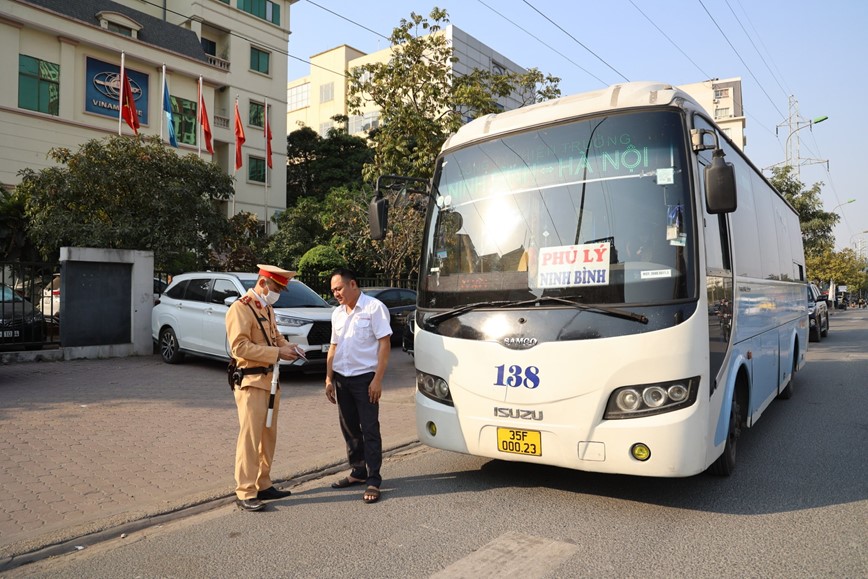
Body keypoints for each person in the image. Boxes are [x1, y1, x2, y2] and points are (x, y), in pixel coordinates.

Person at [225, 264, 303, 512]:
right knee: (250, 438)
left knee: (268, 437)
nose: (278, 292)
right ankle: (245, 490)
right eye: (277, 287)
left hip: (271, 381)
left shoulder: (266, 308)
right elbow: (239, 348)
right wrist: (276, 352)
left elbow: (275, 337)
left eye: (280, 288)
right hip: (251, 382)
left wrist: (289, 347)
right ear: (263, 283)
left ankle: (263, 483)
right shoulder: (241, 308)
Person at [325, 268, 392, 504]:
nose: (336, 294)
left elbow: (385, 344)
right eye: (333, 290)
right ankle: (358, 471)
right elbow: (333, 347)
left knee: (370, 428)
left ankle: (374, 479)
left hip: (365, 379)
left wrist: (377, 379)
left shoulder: (374, 308)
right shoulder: (337, 314)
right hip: (342, 379)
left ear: (352, 284)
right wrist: (328, 378)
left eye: (339, 288)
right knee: (350, 428)